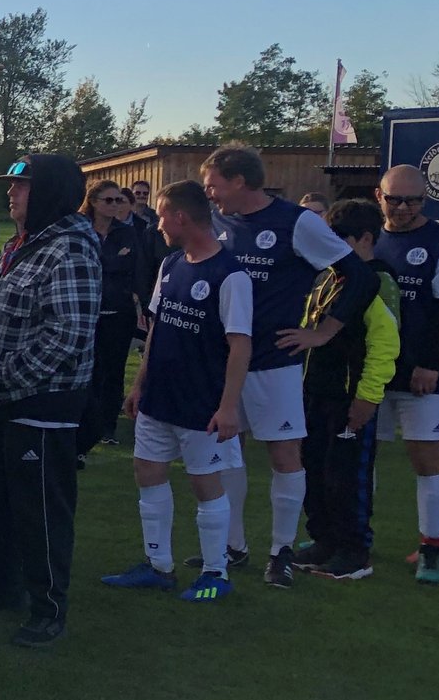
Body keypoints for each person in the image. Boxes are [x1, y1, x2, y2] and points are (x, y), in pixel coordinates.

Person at [203, 145, 378, 588]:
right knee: (225, 449)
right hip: (222, 362)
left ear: (239, 180)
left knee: (284, 454)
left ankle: (280, 551)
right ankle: (233, 545)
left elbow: (358, 276)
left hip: (274, 362)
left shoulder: (295, 221)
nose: (210, 193)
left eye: (214, 184)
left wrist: (323, 332)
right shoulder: (217, 221)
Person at [0, 153, 99, 647]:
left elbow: (67, 335)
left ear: (52, 192)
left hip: (40, 405)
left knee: (40, 510)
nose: (11, 195)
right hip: (1, 402)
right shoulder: (24, 245)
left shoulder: (70, 249)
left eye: (23, 187)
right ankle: (2, 585)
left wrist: (4, 381)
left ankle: (48, 607)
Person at [99, 181, 253, 602]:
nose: (158, 224)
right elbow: (156, 330)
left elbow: (240, 344)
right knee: (147, 473)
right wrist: (138, 384)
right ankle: (158, 566)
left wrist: (227, 407)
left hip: (201, 402)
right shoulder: (170, 265)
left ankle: (215, 574)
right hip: (158, 398)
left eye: (163, 216)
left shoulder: (231, 275)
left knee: (206, 485)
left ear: (181, 217)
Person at [280, 200, 399, 580]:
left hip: (351, 396)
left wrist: (368, 396)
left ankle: (354, 549)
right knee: (315, 468)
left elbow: (385, 344)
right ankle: (324, 539)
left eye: (340, 239)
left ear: (365, 239)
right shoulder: (328, 279)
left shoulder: (377, 281)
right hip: (315, 393)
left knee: (347, 474)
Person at [370, 164, 439, 583]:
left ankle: (433, 546)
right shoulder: (368, 238)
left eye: (414, 200)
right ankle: (350, 535)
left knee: (427, 459)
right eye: (396, 199)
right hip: (370, 371)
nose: (405, 207)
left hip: (420, 373)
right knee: (358, 455)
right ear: (380, 196)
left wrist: (431, 364)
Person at [78, 179, 148, 460]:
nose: (115, 205)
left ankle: (108, 426)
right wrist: (114, 263)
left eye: (119, 200)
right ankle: (86, 425)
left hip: (119, 310)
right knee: (89, 370)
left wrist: (142, 306)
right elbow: (94, 265)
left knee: (114, 369)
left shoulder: (127, 233)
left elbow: (136, 268)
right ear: (93, 201)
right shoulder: (81, 230)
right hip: (87, 309)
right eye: (109, 200)